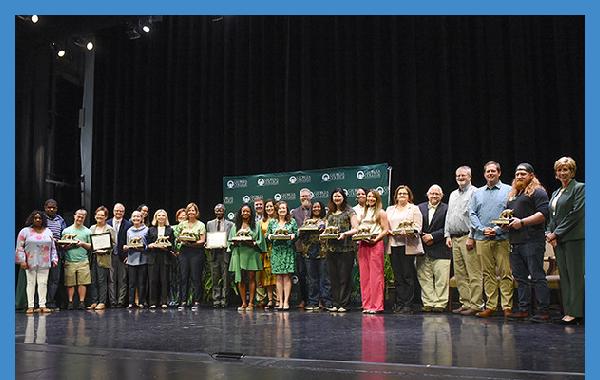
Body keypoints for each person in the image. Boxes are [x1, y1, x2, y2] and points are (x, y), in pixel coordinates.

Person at [504, 163, 550, 322]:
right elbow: (509, 217)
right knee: (520, 278)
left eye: (523, 173)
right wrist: (504, 224)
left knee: (537, 276)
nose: (519, 176)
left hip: (532, 241)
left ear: (531, 175)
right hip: (515, 242)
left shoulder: (538, 192)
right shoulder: (514, 195)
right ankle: (524, 309)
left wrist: (522, 222)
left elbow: (543, 214)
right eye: (517, 174)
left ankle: (543, 311)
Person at [469, 161, 513, 318]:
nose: (490, 174)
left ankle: (507, 306)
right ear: (484, 174)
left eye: (493, 171)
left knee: (505, 272)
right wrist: (482, 229)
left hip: (502, 238)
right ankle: (491, 306)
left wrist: (496, 229)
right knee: (487, 274)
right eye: (488, 171)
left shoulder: (509, 190)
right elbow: (472, 213)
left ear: (499, 173)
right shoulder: (477, 193)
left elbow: (511, 214)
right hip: (482, 238)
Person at [546, 157, 584, 325]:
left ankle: (576, 312)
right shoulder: (556, 192)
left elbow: (576, 214)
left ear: (572, 171)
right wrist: (549, 232)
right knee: (565, 276)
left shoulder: (580, 188)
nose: (562, 173)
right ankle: (568, 310)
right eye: (559, 170)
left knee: (575, 276)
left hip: (574, 238)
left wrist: (556, 234)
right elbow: (552, 216)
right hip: (558, 240)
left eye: (566, 169)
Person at [444, 166, 482, 316]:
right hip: (454, 238)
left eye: (463, 175)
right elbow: (449, 215)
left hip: (468, 237)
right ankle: (465, 303)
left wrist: (472, 236)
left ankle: (476, 304)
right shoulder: (453, 194)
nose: (460, 178)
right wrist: (447, 235)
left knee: (473, 272)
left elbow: (476, 216)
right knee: (460, 274)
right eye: (458, 175)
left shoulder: (475, 192)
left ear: (470, 177)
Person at [386, 185, 424, 314]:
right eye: (400, 194)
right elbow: (385, 226)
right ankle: (400, 303)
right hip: (393, 245)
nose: (402, 196)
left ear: (409, 196)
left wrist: (409, 232)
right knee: (398, 276)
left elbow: (418, 227)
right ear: (396, 196)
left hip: (408, 246)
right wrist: (389, 232)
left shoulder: (414, 208)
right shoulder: (390, 209)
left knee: (407, 275)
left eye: (404, 194)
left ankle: (408, 304)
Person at [15, 210, 58, 314]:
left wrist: (54, 259)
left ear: (43, 219)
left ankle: (42, 305)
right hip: (30, 262)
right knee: (30, 283)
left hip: (45, 262)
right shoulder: (25, 231)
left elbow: (53, 247)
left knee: (43, 283)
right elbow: (19, 247)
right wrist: (22, 261)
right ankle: (30, 306)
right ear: (32, 219)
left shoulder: (48, 231)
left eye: (40, 218)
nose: (38, 220)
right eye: (35, 218)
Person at [323, 188, 358, 313]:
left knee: (344, 277)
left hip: (346, 248)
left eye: (339, 196)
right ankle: (335, 303)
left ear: (343, 197)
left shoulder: (350, 211)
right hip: (331, 248)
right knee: (333, 277)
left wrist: (345, 234)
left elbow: (356, 228)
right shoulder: (330, 212)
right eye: (335, 196)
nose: (337, 198)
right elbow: (326, 228)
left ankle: (344, 303)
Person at [417, 185, 451, 312]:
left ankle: (440, 304)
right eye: (432, 193)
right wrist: (424, 237)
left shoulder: (447, 209)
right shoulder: (419, 207)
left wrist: (433, 236)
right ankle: (428, 302)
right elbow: (414, 225)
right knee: (424, 277)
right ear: (428, 194)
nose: (434, 196)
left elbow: (448, 227)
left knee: (441, 278)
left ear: (441, 196)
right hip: (423, 248)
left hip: (441, 248)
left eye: (437, 194)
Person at [356, 190, 389, 314]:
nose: (370, 199)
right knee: (365, 276)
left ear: (377, 199)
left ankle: (376, 305)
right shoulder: (362, 214)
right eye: (368, 196)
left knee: (376, 276)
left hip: (375, 243)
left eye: (373, 197)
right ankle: (367, 304)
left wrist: (376, 239)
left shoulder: (381, 212)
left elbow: (386, 230)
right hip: (363, 244)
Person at [228, 204, 266, 311]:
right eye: (243, 211)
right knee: (240, 279)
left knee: (251, 278)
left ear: (251, 213)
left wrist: (252, 243)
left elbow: (260, 241)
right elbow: (230, 240)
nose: (245, 213)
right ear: (240, 213)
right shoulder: (236, 226)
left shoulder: (256, 225)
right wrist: (234, 242)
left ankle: (251, 303)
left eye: (248, 211)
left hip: (252, 254)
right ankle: (244, 302)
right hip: (239, 253)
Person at [298, 201, 332, 311]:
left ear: (322, 208)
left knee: (325, 278)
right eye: (314, 207)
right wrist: (302, 230)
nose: (316, 209)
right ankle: (313, 302)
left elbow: (329, 234)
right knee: (312, 279)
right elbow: (301, 236)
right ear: (312, 209)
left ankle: (326, 301)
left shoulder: (326, 220)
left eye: (318, 207)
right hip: (308, 252)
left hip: (323, 252)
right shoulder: (307, 221)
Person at [173, 202, 206, 310]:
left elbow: (202, 240)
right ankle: (183, 301)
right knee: (183, 277)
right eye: (189, 210)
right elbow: (177, 237)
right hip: (184, 252)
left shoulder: (201, 224)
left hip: (196, 252)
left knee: (196, 277)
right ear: (187, 212)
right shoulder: (182, 224)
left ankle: (196, 301)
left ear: (196, 212)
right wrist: (182, 240)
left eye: (193, 210)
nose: (191, 212)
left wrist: (192, 243)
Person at [267, 201, 299, 311]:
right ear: (277, 210)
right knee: (278, 277)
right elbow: (267, 235)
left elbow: (297, 234)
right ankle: (279, 301)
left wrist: (293, 236)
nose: (282, 210)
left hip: (287, 250)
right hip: (276, 251)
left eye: (284, 208)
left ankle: (286, 302)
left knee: (286, 276)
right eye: (280, 208)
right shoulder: (272, 222)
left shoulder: (292, 222)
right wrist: (270, 236)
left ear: (287, 210)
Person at [60, 209, 92, 310]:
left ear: (85, 218)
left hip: (83, 260)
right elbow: (62, 246)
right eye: (78, 216)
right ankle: (70, 302)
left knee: (82, 283)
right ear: (74, 216)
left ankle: (82, 302)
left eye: (82, 217)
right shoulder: (66, 231)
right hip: (70, 260)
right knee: (70, 283)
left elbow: (91, 246)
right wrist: (68, 245)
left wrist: (82, 244)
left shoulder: (87, 231)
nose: (80, 218)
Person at [205, 204, 234, 308]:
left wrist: (226, 244)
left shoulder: (230, 224)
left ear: (224, 211)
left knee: (226, 278)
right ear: (214, 211)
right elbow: (208, 237)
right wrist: (207, 244)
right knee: (215, 277)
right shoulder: (209, 224)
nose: (219, 212)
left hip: (225, 253)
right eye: (217, 210)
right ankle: (216, 300)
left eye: (221, 210)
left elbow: (231, 238)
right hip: (214, 254)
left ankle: (224, 299)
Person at [88, 206, 116, 310]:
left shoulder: (109, 229)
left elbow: (113, 244)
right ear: (95, 216)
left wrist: (105, 250)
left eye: (102, 215)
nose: (99, 217)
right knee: (93, 279)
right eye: (98, 215)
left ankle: (102, 302)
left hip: (103, 257)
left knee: (102, 280)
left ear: (106, 217)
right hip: (93, 256)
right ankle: (94, 301)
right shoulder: (92, 228)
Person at [146, 209, 175, 309]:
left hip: (165, 256)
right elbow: (147, 243)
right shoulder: (151, 229)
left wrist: (167, 247)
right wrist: (151, 245)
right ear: (156, 217)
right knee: (153, 280)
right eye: (159, 215)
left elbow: (172, 245)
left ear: (166, 217)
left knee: (164, 280)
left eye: (163, 215)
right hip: (153, 256)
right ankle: (152, 302)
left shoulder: (170, 230)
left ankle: (164, 302)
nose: (161, 217)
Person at [43, 199, 67, 310]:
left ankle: (50, 303)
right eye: (49, 207)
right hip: (42, 252)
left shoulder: (60, 219)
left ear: (57, 208)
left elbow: (64, 235)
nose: (51, 209)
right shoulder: (40, 218)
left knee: (55, 279)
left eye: (54, 207)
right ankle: (40, 303)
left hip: (57, 252)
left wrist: (63, 243)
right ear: (45, 207)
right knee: (42, 279)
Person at [107, 203, 132, 308]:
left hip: (123, 255)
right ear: (113, 211)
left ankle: (121, 301)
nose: (118, 213)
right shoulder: (107, 223)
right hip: (110, 255)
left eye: (121, 211)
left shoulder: (128, 224)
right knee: (111, 279)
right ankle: (112, 301)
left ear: (124, 212)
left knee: (122, 279)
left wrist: (127, 255)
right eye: (117, 210)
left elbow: (130, 241)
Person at [291, 188, 312, 309]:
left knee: (315, 276)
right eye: (302, 196)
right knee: (302, 275)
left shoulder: (316, 209)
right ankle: (303, 299)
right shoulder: (294, 212)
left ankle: (317, 300)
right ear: (299, 198)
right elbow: (291, 229)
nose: (304, 198)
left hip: (315, 247)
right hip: (300, 248)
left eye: (306, 196)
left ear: (310, 196)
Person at [123, 210, 148, 308]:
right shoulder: (129, 230)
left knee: (142, 282)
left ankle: (141, 302)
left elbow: (147, 245)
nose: (136, 218)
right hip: (132, 259)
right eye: (134, 217)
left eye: (138, 217)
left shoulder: (146, 230)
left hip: (143, 258)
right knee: (131, 283)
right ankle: (131, 302)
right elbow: (128, 244)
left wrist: (142, 248)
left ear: (142, 218)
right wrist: (126, 247)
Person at [258, 200, 277, 309]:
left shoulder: (278, 219)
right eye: (267, 207)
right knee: (268, 277)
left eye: (270, 206)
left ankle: (278, 299)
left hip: (277, 250)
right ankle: (270, 300)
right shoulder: (262, 222)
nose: (269, 208)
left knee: (277, 276)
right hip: (265, 252)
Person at [168, 208, 187, 307]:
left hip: (184, 254)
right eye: (180, 215)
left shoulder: (189, 228)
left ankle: (183, 299)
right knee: (173, 278)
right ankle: (173, 299)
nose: (182, 217)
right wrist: (173, 251)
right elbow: (169, 241)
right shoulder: (172, 228)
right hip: (172, 256)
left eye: (184, 215)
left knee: (183, 278)